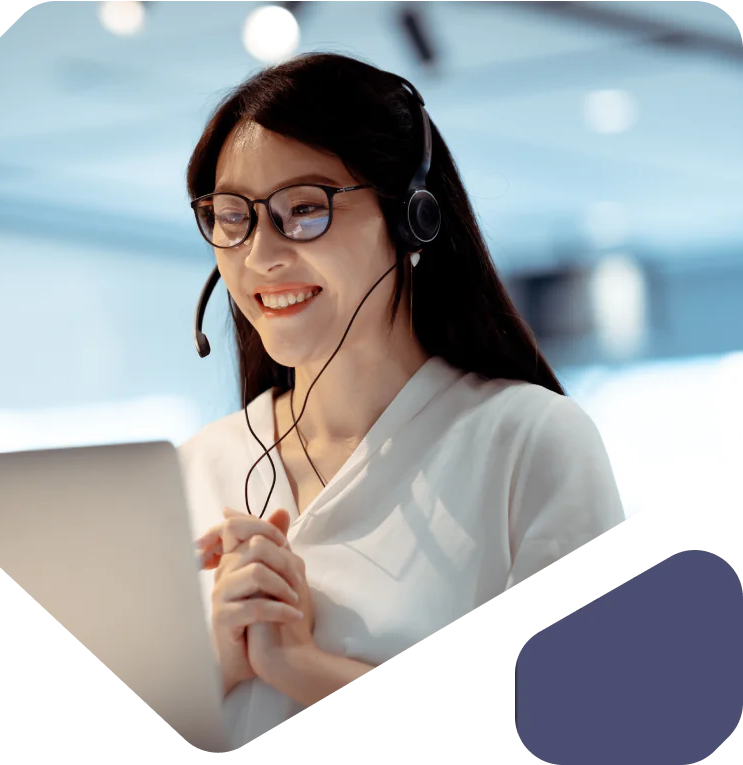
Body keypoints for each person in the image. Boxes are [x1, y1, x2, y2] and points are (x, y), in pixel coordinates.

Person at [177, 51, 626, 751]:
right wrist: (213, 667)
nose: (260, 254)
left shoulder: (528, 441)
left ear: (411, 219)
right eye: (233, 216)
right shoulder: (193, 469)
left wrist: (300, 665)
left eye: (303, 209)